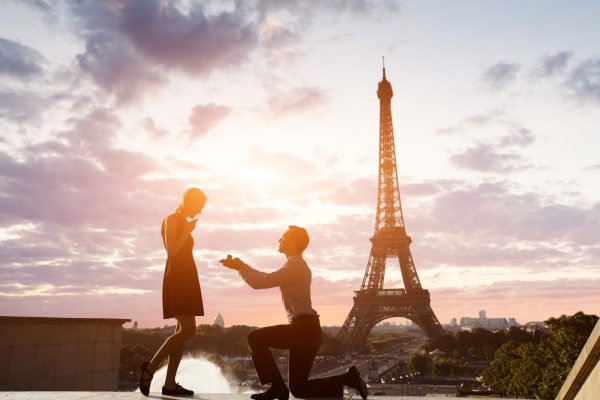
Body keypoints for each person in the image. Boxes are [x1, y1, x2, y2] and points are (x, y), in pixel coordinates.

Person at [219, 226, 368, 400]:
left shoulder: (295, 267)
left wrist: (240, 267)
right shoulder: (295, 266)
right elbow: (264, 277)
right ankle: (348, 378)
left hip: (303, 329)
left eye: (283, 237)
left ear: (293, 242)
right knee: (299, 389)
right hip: (308, 330)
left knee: (255, 338)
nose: (278, 240)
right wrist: (241, 266)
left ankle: (276, 388)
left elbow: (261, 282)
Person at [139, 188, 207, 397]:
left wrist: (187, 229)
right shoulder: (172, 219)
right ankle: (150, 367)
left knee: (181, 332)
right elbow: (172, 251)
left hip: (187, 278)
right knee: (188, 331)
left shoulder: (182, 221)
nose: (199, 212)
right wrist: (187, 230)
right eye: (198, 206)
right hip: (178, 278)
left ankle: (169, 384)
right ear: (188, 201)